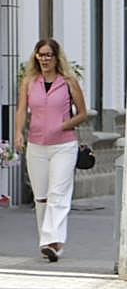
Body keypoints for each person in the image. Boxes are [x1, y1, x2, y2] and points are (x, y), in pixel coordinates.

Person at [12, 39, 89, 262]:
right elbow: (21, 111)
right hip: (36, 145)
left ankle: (51, 243)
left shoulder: (68, 82)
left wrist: (64, 125)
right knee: (42, 197)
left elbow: (83, 113)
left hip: (63, 145)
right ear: (36, 57)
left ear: (56, 58)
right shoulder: (30, 82)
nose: (44, 59)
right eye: (40, 55)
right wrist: (18, 133)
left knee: (58, 194)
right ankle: (51, 242)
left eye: (48, 55)